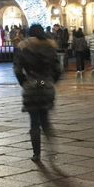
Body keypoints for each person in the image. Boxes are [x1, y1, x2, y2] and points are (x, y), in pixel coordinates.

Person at [14, 23, 62, 165]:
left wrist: (24, 82)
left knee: (34, 122)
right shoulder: (50, 47)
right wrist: (51, 81)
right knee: (45, 120)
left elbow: (17, 70)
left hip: (31, 87)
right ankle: (52, 149)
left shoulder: (23, 47)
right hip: (46, 86)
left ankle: (36, 154)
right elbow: (58, 69)